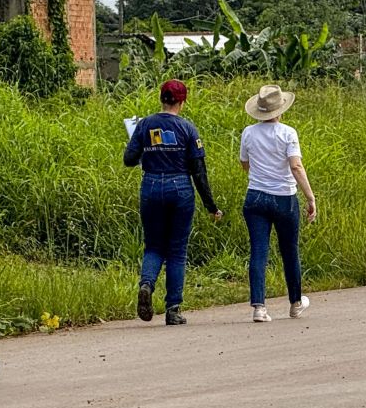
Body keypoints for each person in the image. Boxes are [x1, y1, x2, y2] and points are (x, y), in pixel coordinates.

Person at [124, 79, 221, 325]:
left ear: (161, 98)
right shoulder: (188, 128)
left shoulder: (145, 124)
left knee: (154, 246)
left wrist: (148, 152)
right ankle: (173, 309)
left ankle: (146, 284)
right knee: (177, 251)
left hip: (152, 186)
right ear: (182, 101)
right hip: (180, 188)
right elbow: (199, 171)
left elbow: (129, 159)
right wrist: (211, 205)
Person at [240, 85, 317, 323]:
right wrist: (310, 197)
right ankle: (295, 303)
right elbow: (296, 166)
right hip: (284, 197)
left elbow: (245, 163)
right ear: (280, 109)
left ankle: (259, 308)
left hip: (255, 197)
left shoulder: (248, 132)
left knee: (259, 251)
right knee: (289, 250)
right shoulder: (288, 133)